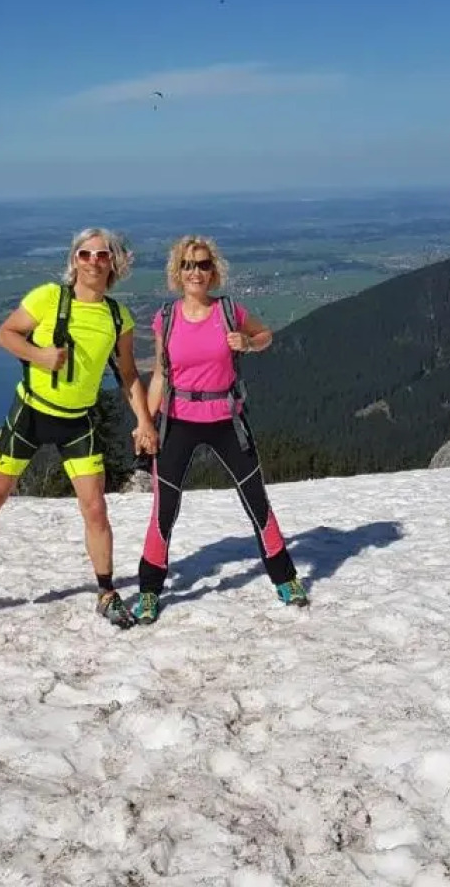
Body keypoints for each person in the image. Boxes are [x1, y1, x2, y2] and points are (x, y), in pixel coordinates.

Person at [0, 227, 158, 628]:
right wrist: (40, 356)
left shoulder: (118, 317)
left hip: (78, 422)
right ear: (74, 260)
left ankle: (105, 592)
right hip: (31, 413)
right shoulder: (48, 297)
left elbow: (127, 373)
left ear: (114, 263)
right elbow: (6, 333)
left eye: (101, 255)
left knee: (95, 508)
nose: (92, 262)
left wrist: (143, 420)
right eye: (84, 254)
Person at [131, 235, 308, 624]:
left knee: (255, 498)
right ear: (178, 272)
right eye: (188, 265)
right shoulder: (167, 317)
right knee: (164, 508)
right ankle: (148, 591)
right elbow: (161, 374)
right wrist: (146, 422)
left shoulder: (230, 310)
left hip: (227, 418)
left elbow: (265, 336)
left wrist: (246, 342)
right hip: (177, 420)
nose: (196, 272)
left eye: (203, 264)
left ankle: (285, 577)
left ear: (214, 271)